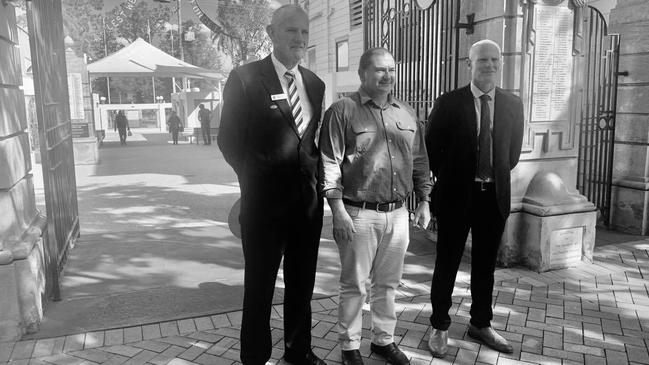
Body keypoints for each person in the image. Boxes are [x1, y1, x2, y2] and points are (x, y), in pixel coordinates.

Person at [216, 5, 326, 365]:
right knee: (260, 289)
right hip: (263, 211)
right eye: (291, 31)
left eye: (305, 33)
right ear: (271, 32)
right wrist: (256, 183)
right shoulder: (245, 78)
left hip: (306, 210)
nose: (300, 39)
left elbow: (310, 144)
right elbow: (229, 141)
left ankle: (298, 351)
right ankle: (255, 357)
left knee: (301, 285)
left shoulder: (314, 84)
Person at [319, 47, 432, 365]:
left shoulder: (406, 113)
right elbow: (330, 162)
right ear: (362, 74)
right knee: (354, 285)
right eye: (380, 70)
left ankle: (383, 341)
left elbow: (420, 160)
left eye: (392, 70)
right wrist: (338, 210)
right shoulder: (342, 111)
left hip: (397, 215)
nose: (387, 76)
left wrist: (424, 200)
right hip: (358, 214)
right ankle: (349, 347)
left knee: (388, 284)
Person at [425, 39, 524, 358]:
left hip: (493, 198)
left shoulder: (513, 104)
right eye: (483, 60)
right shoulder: (449, 102)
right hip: (456, 198)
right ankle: (439, 325)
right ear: (470, 64)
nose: (490, 65)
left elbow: (511, 155)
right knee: (447, 264)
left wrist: (488, 177)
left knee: (485, 267)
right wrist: (456, 178)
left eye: (495, 60)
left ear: (501, 64)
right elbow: (432, 150)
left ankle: (480, 323)